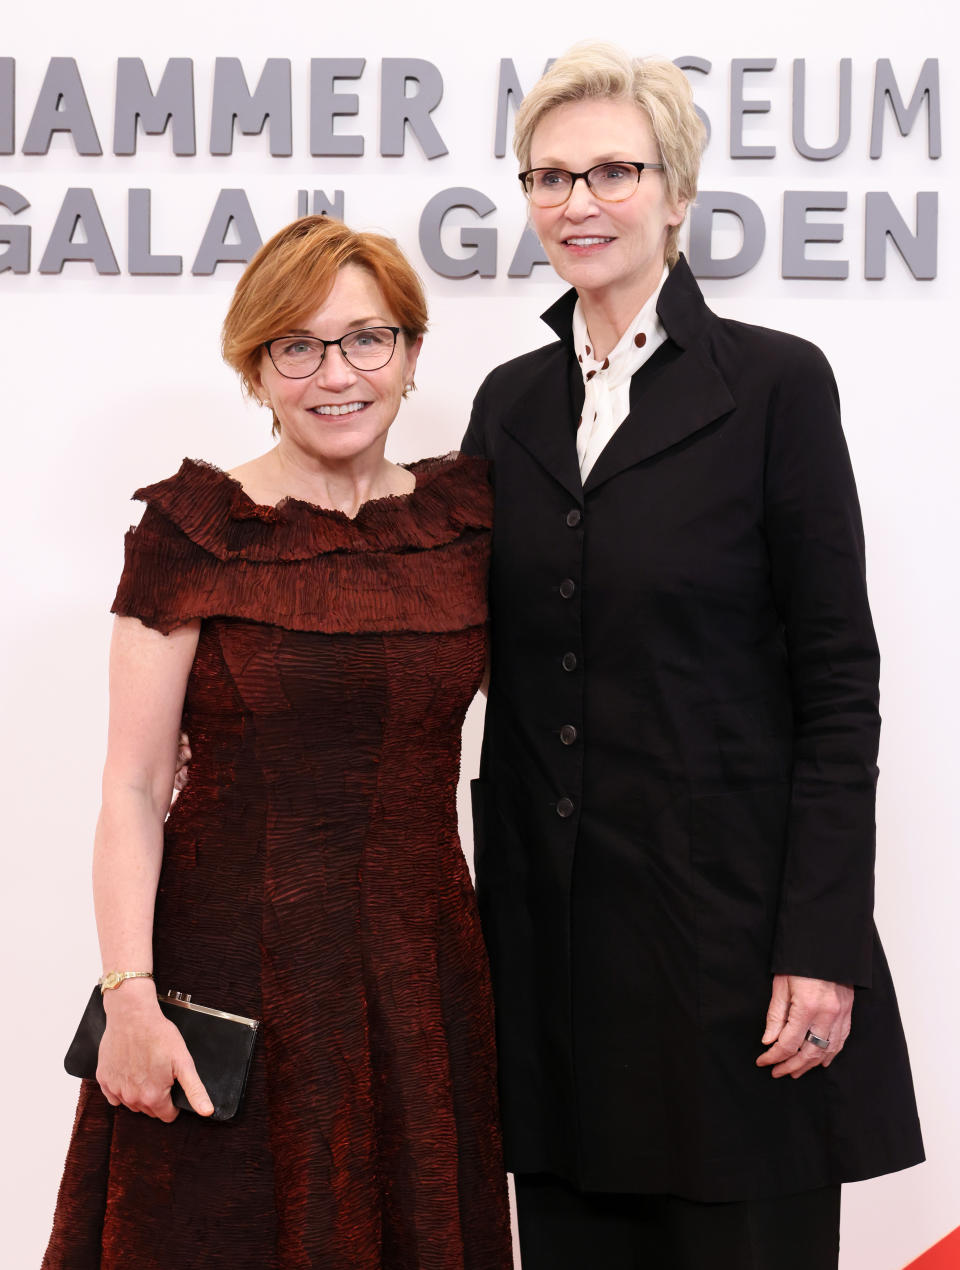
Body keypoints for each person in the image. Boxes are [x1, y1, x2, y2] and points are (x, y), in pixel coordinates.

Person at [462, 43, 924, 1269]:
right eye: (548, 177)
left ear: (678, 192)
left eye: (614, 170)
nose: (577, 202)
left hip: (732, 964)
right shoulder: (506, 404)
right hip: (555, 970)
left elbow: (839, 684)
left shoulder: (776, 384)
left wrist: (820, 946)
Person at [44, 215, 513, 1270]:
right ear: (257, 368)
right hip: (225, 984)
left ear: (410, 351)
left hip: (419, 980)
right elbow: (130, 786)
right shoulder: (195, 530)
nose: (334, 373)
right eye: (295, 346)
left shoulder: (466, 522)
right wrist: (129, 998)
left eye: (365, 338)